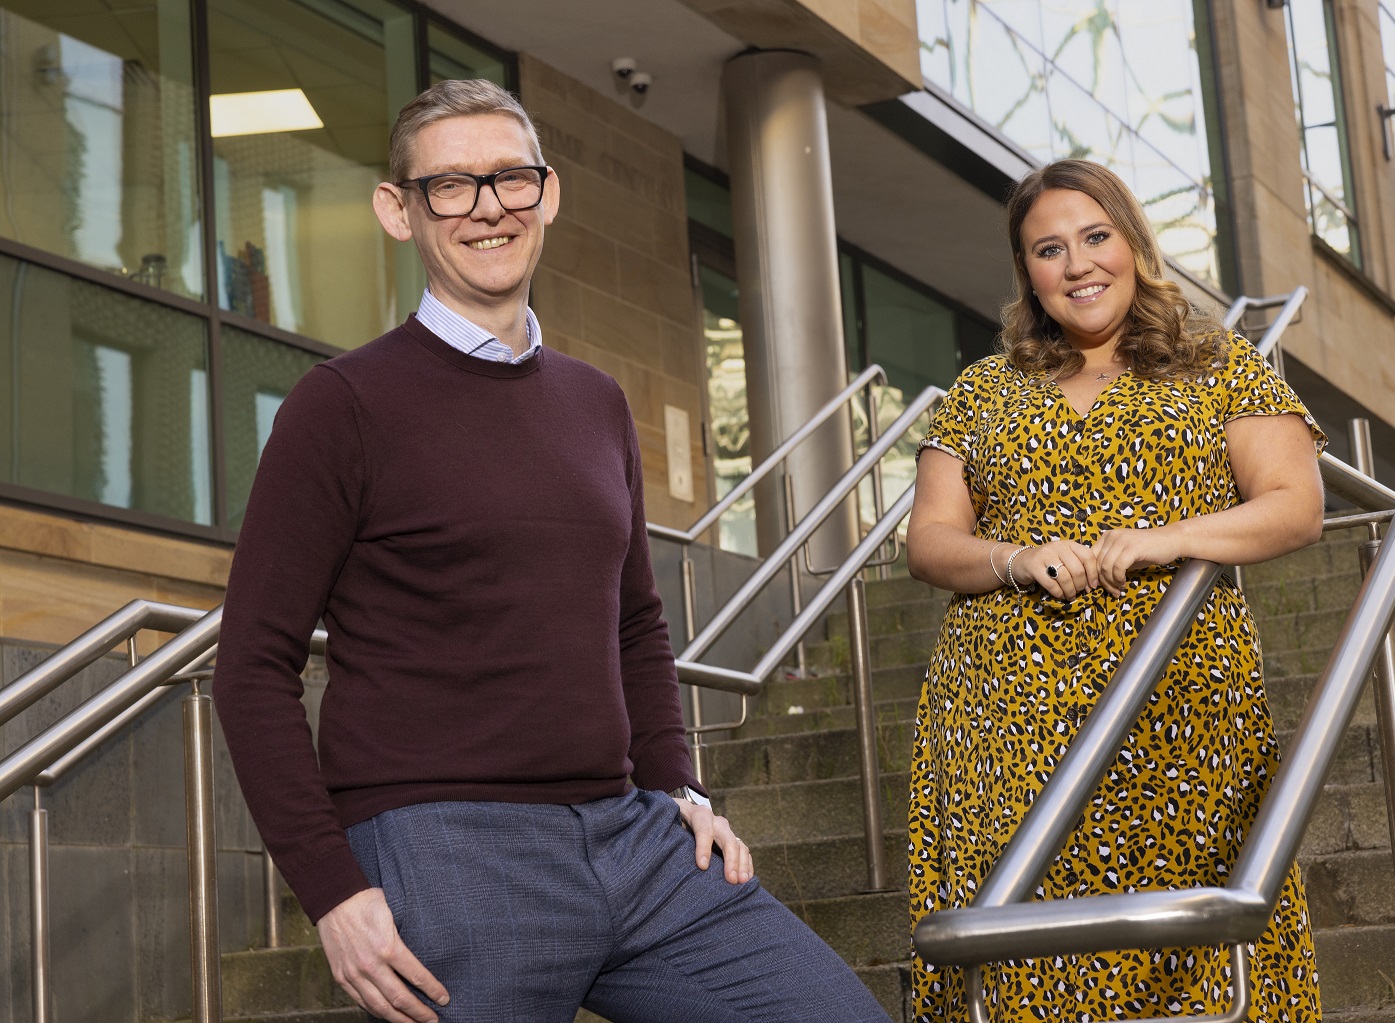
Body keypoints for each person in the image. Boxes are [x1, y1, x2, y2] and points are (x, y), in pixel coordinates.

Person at [212, 78, 888, 1023]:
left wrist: (678, 786)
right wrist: (331, 888)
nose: (488, 206)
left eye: (510, 178)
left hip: (633, 836)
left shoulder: (598, 401)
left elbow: (638, 623)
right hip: (446, 840)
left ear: (549, 194)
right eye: (450, 186)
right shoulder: (343, 406)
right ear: (398, 211)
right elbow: (250, 667)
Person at [904, 159, 1326, 1022]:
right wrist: (1016, 557)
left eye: (1095, 236)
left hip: (1175, 700)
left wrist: (1165, 539)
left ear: (1131, 242)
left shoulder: (1214, 360)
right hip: (1004, 715)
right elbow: (929, 539)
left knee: (1192, 937)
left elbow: (1296, 505)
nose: (1078, 263)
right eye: (1048, 249)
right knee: (1023, 948)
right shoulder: (986, 389)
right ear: (1028, 273)